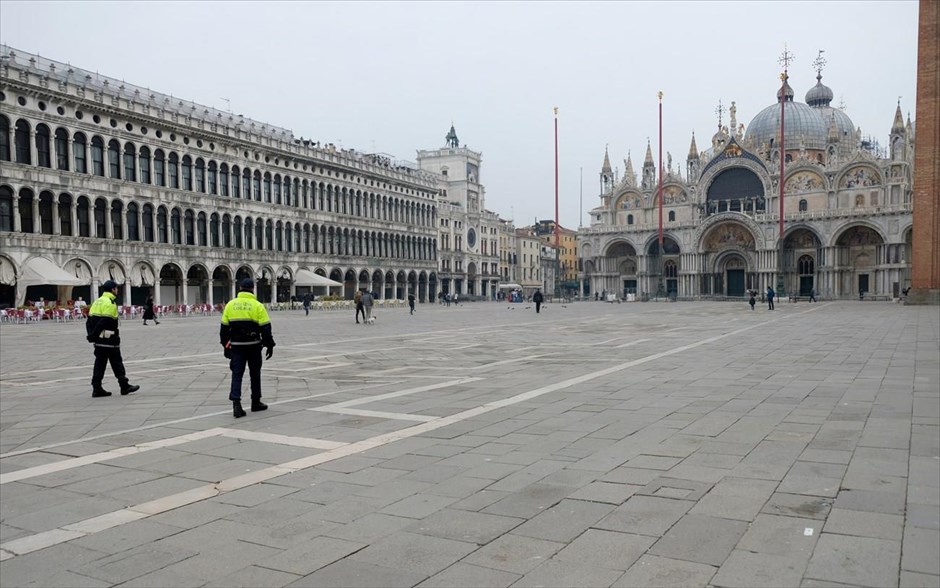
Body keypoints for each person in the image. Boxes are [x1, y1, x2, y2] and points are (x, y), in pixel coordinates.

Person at [220, 278, 275, 418]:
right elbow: (266, 328)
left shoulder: (230, 305)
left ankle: (236, 405)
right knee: (255, 373)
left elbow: (224, 330)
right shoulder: (257, 305)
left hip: (237, 346)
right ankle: (256, 402)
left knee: (237, 374)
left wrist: (226, 347)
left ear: (240, 288)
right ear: (252, 289)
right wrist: (269, 345)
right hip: (254, 345)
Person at [86, 280, 140, 398]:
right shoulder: (110, 302)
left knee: (99, 363)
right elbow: (105, 321)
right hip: (109, 339)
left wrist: (91, 335)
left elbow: (89, 321)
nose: (117, 290)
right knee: (117, 363)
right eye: (116, 288)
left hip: (98, 341)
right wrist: (94, 334)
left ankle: (96, 388)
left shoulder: (96, 302)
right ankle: (124, 386)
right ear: (112, 289)